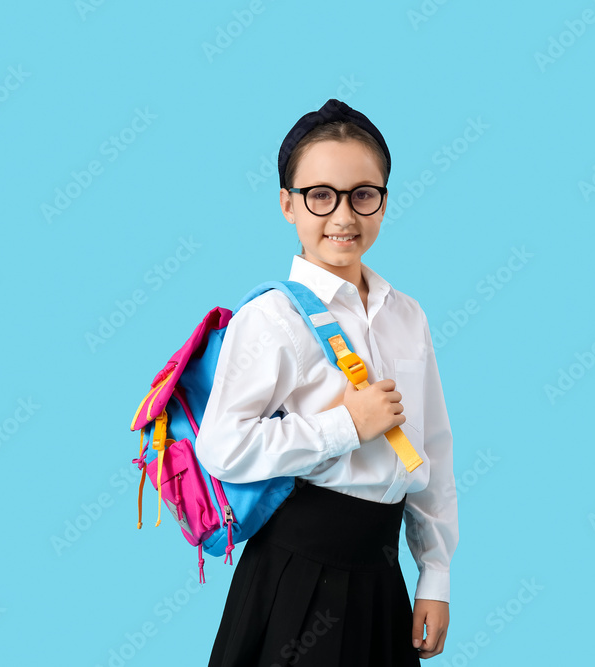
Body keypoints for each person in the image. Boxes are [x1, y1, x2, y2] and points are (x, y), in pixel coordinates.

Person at [195, 98, 458, 666]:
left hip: (382, 572)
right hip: (298, 575)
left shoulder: (407, 314)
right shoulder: (270, 319)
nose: (343, 217)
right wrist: (346, 426)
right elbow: (221, 446)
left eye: (364, 195)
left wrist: (433, 574)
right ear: (288, 204)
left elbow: (432, 446)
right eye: (321, 196)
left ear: (385, 202)